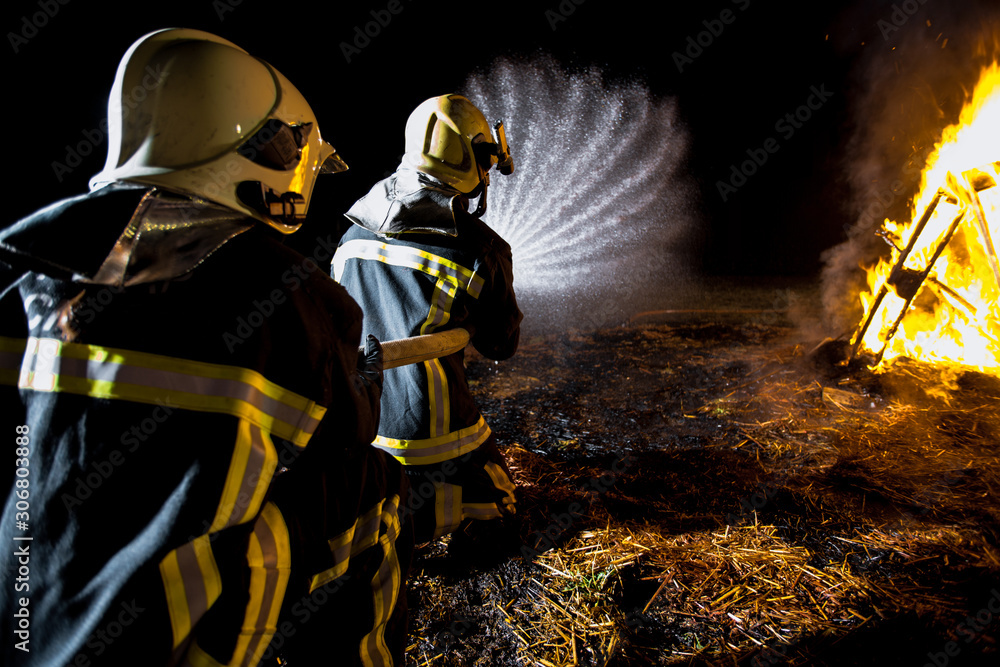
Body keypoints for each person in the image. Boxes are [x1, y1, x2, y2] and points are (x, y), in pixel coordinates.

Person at [0, 28, 410, 666]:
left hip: (25, 626)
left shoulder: (33, 271)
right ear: (270, 151)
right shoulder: (285, 292)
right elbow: (344, 437)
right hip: (157, 649)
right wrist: (357, 382)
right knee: (370, 486)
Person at [332, 94, 522, 545]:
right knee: (503, 508)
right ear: (475, 160)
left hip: (365, 435)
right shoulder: (482, 250)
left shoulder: (349, 237)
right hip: (437, 442)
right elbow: (500, 346)